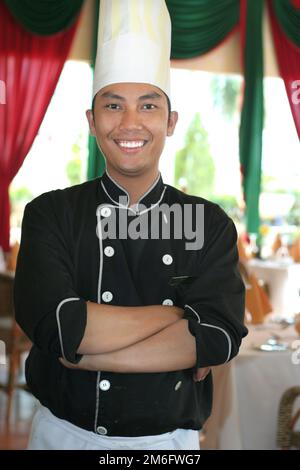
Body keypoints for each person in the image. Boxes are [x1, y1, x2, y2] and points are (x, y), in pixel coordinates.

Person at [14, 0, 247, 450]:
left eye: (148, 105)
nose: (130, 123)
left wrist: (88, 355)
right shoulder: (50, 214)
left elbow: (217, 336)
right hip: (63, 437)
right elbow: (62, 329)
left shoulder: (209, 223)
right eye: (113, 105)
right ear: (91, 122)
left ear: (170, 121)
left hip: (167, 444)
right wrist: (179, 316)